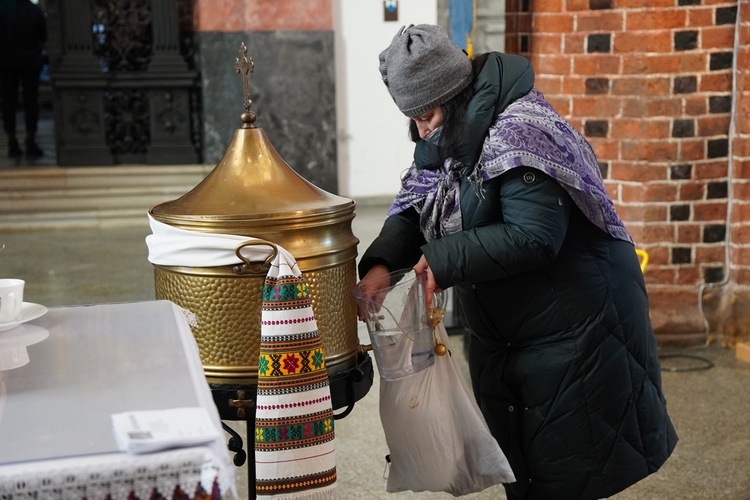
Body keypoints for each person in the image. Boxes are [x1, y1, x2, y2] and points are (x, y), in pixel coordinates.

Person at [357, 24, 678, 500]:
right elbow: (414, 205)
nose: (422, 131)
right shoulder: (449, 138)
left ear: (456, 95)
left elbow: (535, 236)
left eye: (427, 116)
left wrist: (441, 258)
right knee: (524, 473)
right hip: (512, 333)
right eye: (414, 121)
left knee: (564, 474)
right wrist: (382, 261)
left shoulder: (521, 130)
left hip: (575, 329)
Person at [0, 0, 48, 158]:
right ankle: (30, 139)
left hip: (6, 62)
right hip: (30, 61)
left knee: (8, 102)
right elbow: (43, 35)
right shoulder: (34, 10)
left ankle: (12, 141)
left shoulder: (3, 9)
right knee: (31, 101)